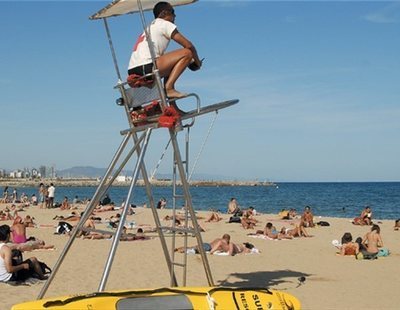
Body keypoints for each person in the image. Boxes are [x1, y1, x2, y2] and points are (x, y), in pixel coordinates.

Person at [127, 1, 202, 100]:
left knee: (174, 66)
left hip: (134, 70)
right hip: (147, 67)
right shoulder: (164, 24)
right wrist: (197, 63)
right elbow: (189, 46)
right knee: (187, 53)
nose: (175, 15)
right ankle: (169, 88)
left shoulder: (150, 27)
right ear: (164, 13)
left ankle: (173, 107)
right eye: (172, 11)